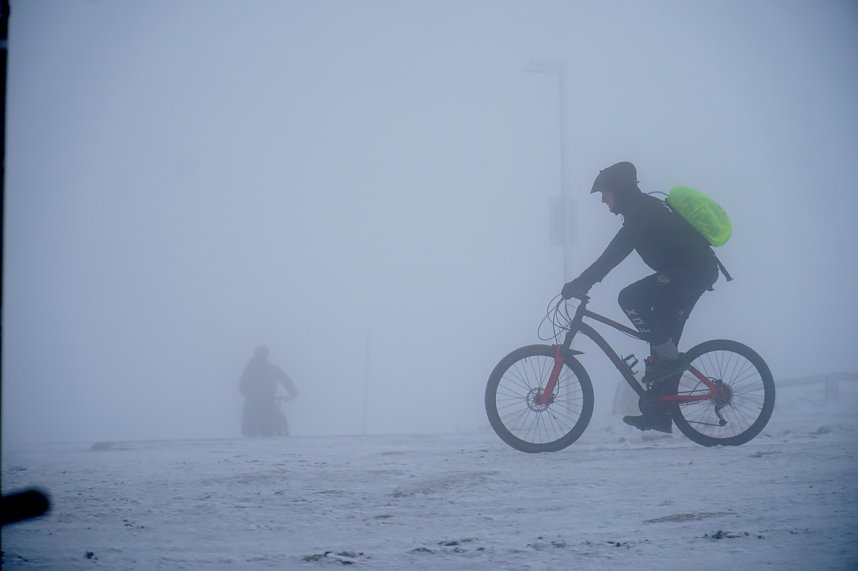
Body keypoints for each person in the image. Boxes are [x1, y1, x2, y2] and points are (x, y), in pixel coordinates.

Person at [561, 161, 719, 433]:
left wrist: (580, 284)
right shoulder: (640, 212)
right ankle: (659, 413)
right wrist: (583, 283)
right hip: (686, 273)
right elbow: (611, 257)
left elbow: (611, 257)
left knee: (630, 298)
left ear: (619, 189)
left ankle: (670, 363)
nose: (603, 200)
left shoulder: (643, 214)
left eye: (605, 193)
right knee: (660, 343)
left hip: (693, 273)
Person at [239, 345, 299, 436]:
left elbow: (242, 385)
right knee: (267, 427)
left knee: (254, 428)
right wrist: (293, 392)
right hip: (265, 401)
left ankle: (252, 435)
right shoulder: (270, 368)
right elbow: (285, 380)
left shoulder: (250, 369)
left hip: (255, 402)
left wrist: (248, 395)